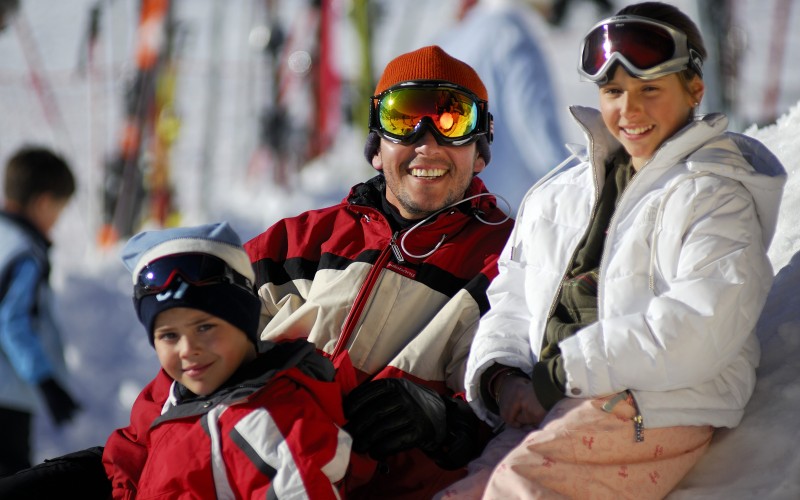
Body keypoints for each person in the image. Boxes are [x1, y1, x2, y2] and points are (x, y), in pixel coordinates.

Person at [0, 45, 515, 499]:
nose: (427, 142)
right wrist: (119, 470)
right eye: (405, 119)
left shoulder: (508, 261)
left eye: (452, 119)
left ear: (481, 143)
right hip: (224, 475)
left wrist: (450, 422)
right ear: (377, 146)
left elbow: (532, 397)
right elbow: (193, 362)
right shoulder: (296, 244)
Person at [439, 2, 787, 498]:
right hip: (550, 401)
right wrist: (503, 377)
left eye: (650, 90)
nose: (630, 110)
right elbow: (513, 296)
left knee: (520, 489)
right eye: (613, 92)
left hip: (650, 406)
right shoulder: (563, 191)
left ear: (694, 90)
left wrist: (559, 375)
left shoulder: (714, 194)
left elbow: (702, 320)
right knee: (465, 489)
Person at [99, 221, 352, 498]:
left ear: (245, 322)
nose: (187, 349)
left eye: (204, 327)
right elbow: (133, 448)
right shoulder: (174, 392)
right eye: (169, 335)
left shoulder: (271, 425)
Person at [438, 0, 567, 211]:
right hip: (505, 213)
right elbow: (535, 128)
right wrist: (575, 195)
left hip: (454, 208)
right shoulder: (510, 34)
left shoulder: (449, 40)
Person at [0, 146, 80, 476]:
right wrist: (47, 381)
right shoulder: (25, 252)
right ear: (44, 203)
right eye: (58, 213)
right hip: (7, 397)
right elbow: (13, 322)